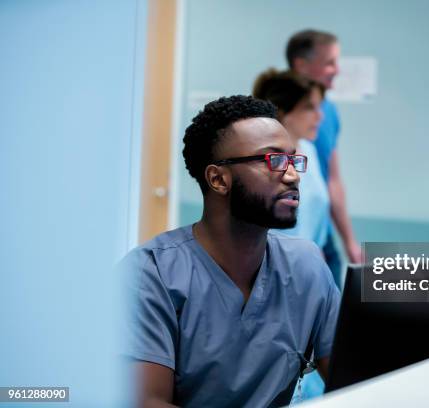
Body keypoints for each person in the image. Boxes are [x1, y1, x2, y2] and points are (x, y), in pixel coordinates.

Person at [120, 95, 340, 407]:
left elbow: (356, 385)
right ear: (218, 179)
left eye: (293, 160)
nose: (292, 175)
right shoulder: (150, 274)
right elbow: (148, 402)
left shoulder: (307, 267)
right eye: (273, 161)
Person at [286, 29, 362, 282]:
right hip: (287, 238)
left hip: (319, 234)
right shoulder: (271, 114)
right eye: (329, 62)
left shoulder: (328, 112)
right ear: (301, 65)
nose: (336, 70)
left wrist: (348, 240)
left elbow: (333, 179)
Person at [253, 68, 328, 248]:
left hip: (306, 258)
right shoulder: (265, 158)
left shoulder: (309, 150)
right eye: (309, 107)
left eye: (319, 107)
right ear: (282, 112)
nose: (320, 116)